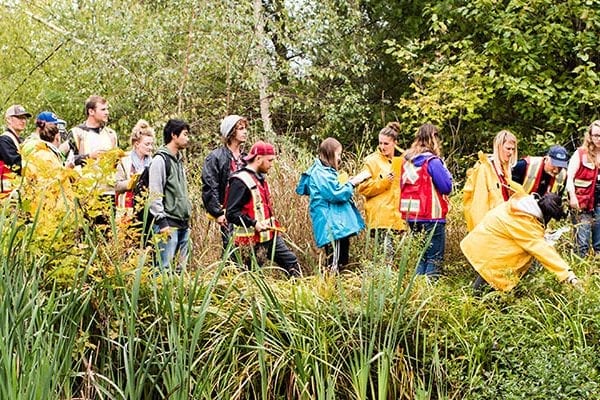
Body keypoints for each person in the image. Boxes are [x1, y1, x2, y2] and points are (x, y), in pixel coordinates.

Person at [461, 193, 579, 292]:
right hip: (492, 253)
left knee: (486, 284)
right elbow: (543, 250)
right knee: (486, 286)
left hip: (483, 243)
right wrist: (568, 275)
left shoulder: (522, 206)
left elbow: (530, 230)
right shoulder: (525, 224)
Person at [226, 141, 301, 277]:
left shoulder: (260, 178)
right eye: (270, 161)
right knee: (252, 276)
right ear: (258, 158)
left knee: (291, 262)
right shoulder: (240, 181)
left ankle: (300, 293)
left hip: (270, 235)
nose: (272, 165)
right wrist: (254, 223)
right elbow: (231, 214)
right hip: (250, 241)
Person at [296, 137, 366, 272]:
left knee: (340, 259)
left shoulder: (326, 171)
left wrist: (346, 182)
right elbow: (335, 194)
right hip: (332, 225)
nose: (339, 158)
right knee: (334, 262)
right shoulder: (320, 173)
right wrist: (352, 183)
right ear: (330, 153)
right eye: (338, 154)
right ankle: (331, 288)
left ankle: (335, 287)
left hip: (335, 224)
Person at [399, 123, 452, 279]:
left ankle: (416, 290)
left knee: (421, 256)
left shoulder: (407, 161)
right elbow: (446, 187)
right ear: (434, 139)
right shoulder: (432, 162)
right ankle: (429, 294)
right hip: (431, 214)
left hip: (412, 214)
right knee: (434, 258)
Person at [357, 122, 406, 262]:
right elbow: (363, 188)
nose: (382, 147)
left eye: (386, 144)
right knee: (386, 258)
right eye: (380, 143)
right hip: (380, 217)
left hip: (397, 217)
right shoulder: (371, 161)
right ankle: (383, 281)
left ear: (395, 143)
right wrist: (384, 182)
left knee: (396, 258)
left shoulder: (401, 161)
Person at [149, 119, 192, 272]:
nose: (188, 138)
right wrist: (162, 222)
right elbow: (154, 193)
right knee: (163, 269)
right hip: (168, 223)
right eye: (185, 134)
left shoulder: (179, 161)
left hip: (183, 222)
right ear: (174, 135)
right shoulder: (160, 160)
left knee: (182, 270)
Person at [201, 115, 248, 252]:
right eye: (240, 129)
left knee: (249, 250)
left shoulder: (246, 158)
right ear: (231, 132)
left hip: (246, 212)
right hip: (228, 211)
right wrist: (218, 212)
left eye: (245, 128)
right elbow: (210, 186)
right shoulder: (215, 157)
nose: (245, 132)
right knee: (231, 249)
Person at [463, 130, 518, 231]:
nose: (511, 153)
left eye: (513, 149)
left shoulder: (505, 170)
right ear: (498, 147)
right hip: (490, 227)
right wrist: (480, 231)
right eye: (508, 148)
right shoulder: (484, 169)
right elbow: (478, 205)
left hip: (503, 225)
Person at [21, 122, 73, 214]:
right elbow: (52, 182)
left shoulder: (42, 153)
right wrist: (68, 169)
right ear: (57, 137)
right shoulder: (47, 156)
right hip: (51, 207)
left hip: (45, 205)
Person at [566, 120, 600, 257]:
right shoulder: (580, 154)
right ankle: (579, 272)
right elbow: (569, 178)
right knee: (582, 243)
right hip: (582, 203)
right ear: (590, 136)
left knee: (599, 244)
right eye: (596, 135)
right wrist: (572, 197)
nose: (599, 139)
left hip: (599, 203)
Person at [114, 119, 155, 223]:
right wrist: (131, 183)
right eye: (147, 144)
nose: (150, 147)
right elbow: (116, 185)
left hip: (148, 208)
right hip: (128, 208)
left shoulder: (154, 162)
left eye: (151, 144)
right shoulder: (124, 160)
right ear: (137, 144)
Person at [68, 95, 118, 166]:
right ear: (91, 111)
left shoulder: (111, 134)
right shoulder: (76, 133)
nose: (107, 112)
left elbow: (116, 163)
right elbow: (65, 159)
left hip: (108, 175)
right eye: (103, 109)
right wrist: (89, 156)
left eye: (107, 109)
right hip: (83, 176)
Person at [1, 104, 31, 197]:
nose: (23, 121)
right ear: (9, 119)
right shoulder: (4, 140)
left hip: (17, 192)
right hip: (5, 195)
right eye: (19, 117)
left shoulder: (21, 140)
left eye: (24, 118)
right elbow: (16, 164)